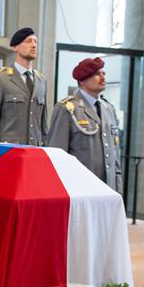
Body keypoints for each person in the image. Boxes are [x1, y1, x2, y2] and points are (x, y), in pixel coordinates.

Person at [47, 57, 122, 192]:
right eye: (97, 75)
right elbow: (57, 156)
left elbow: (115, 157)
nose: (103, 77)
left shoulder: (108, 109)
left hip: (107, 190)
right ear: (82, 81)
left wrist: (118, 190)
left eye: (103, 73)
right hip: (79, 189)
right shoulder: (67, 108)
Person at [0, 27, 48, 146]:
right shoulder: (0, 79)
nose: (33, 45)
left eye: (35, 41)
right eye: (28, 41)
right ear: (15, 47)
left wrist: (46, 150)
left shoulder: (41, 81)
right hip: (9, 152)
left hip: (35, 152)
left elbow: (43, 125)